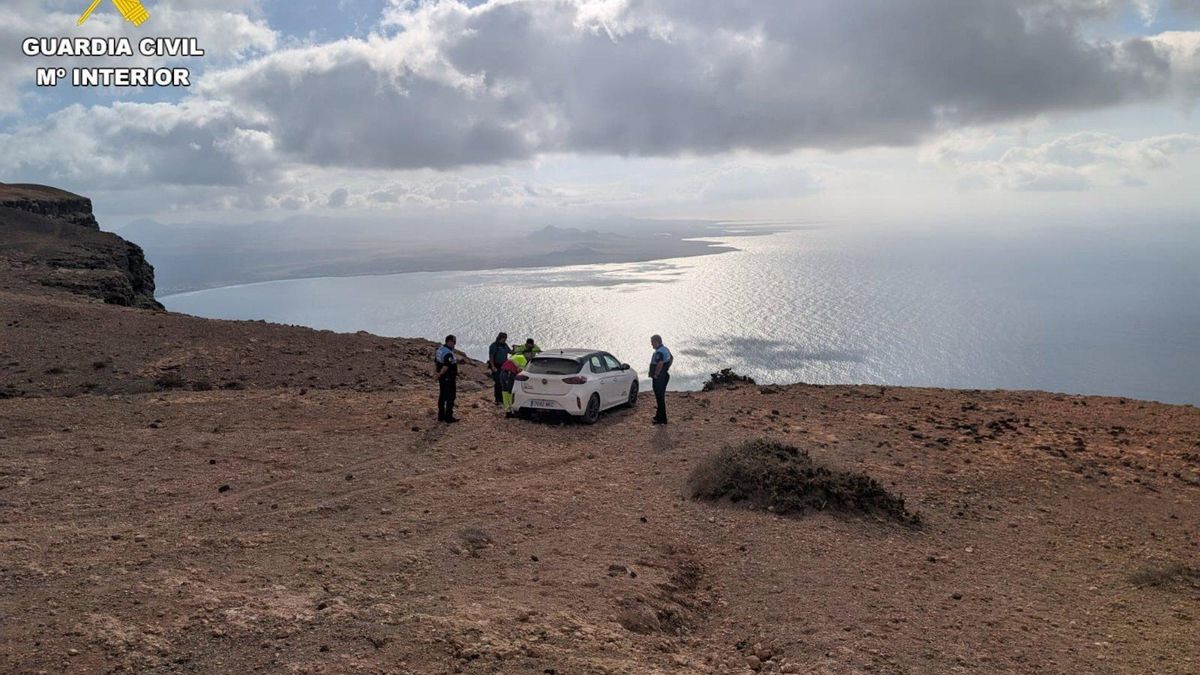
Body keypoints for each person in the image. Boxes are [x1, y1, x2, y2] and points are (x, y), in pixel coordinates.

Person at [434, 335, 459, 423]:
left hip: (442, 377)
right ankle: (448, 417)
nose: (455, 344)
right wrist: (440, 374)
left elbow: (436, 362)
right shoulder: (448, 353)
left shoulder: (440, 349)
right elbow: (446, 366)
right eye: (454, 342)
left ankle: (441, 416)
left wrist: (438, 374)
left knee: (442, 395)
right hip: (448, 377)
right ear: (449, 341)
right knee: (450, 396)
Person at [649, 334, 673, 424]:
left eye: (652, 342)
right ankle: (659, 416)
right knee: (660, 397)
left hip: (659, 378)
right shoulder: (665, 349)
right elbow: (671, 358)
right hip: (664, 376)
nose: (651, 345)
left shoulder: (658, 352)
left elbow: (660, 363)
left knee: (659, 398)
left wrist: (656, 374)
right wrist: (666, 369)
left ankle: (662, 418)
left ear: (656, 342)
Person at [487, 332, 511, 405]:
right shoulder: (494, 345)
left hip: (504, 367)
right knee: (498, 383)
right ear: (501, 338)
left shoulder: (505, 345)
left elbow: (510, 352)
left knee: (503, 383)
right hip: (497, 366)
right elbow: (491, 356)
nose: (505, 340)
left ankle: (502, 399)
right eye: (504, 338)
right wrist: (493, 366)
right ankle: (497, 399)